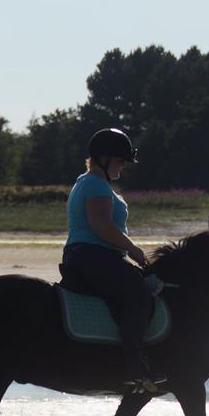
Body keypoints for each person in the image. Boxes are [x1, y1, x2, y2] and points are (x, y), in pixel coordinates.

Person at [62, 128, 155, 383]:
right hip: (93, 255)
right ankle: (132, 364)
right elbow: (101, 226)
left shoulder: (89, 181)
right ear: (103, 158)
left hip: (89, 255)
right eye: (120, 160)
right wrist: (132, 249)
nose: (123, 166)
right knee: (138, 296)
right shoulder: (95, 185)